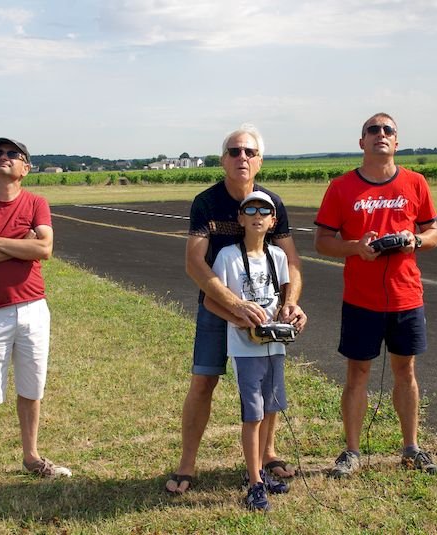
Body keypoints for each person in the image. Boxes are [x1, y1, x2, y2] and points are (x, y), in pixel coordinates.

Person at [165, 124, 308, 495]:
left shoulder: (272, 203)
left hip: (265, 315)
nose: (241, 157)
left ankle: (267, 453)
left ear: (259, 161)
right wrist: (234, 304)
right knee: (204, 381)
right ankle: (187, 463)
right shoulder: (206, 202)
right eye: (234, 151)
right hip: (217, 308)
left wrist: (290, 303)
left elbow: (291, 261)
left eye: (249, 152)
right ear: (222, 160)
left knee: (267, 384)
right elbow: (194, 263)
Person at [313, 113, 437, 477]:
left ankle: (411, 447)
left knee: (406, 370)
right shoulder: (341, 187)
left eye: (388, 130)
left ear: (396, 142)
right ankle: (352, 451)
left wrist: (414, 240)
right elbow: (322, 241)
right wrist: (356, 247)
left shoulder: (415, 182)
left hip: (406, 296)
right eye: (373, 130)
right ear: (362, 142)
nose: (380, 134)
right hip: (361, 299)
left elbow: (433, 233)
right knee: (357, 373)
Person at [0, 137, 71, 494]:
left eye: (11, 154)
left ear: (26, 168)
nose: (2, 158)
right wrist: (22, 245)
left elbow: (45, 249)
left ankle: (31, 457)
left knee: (32, 386)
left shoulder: (36, 203)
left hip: (33, 307)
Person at [212, 191, 294, 511]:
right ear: (240, 219)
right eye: (250, 210)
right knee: (253, 413)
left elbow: (285, 298)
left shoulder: (278, 257)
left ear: (273, 221)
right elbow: (211, 301)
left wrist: (290, 314)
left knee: (271, 407)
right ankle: (255, 483)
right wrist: (238, 319)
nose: (257, 216)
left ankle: (259, 470)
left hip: (274, 346)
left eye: (264, 211)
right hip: (245, 349)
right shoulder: (228, 257)